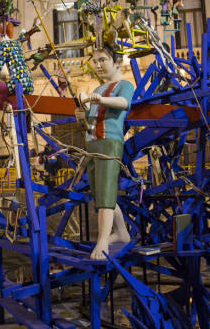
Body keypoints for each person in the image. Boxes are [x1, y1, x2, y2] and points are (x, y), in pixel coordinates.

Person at [75, 46, 133, 260]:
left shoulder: (125, 85)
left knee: (107, 192)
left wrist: (99, 101)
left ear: (116, 62)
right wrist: (81, 112)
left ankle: (102, 241)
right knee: (100, 194)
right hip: (93, 143)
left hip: (110, 142)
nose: (98, 65)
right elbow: (89, 121)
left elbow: (124, 103)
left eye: (102, 60)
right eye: (95, 61)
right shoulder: (97, 90)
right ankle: (121, 232)